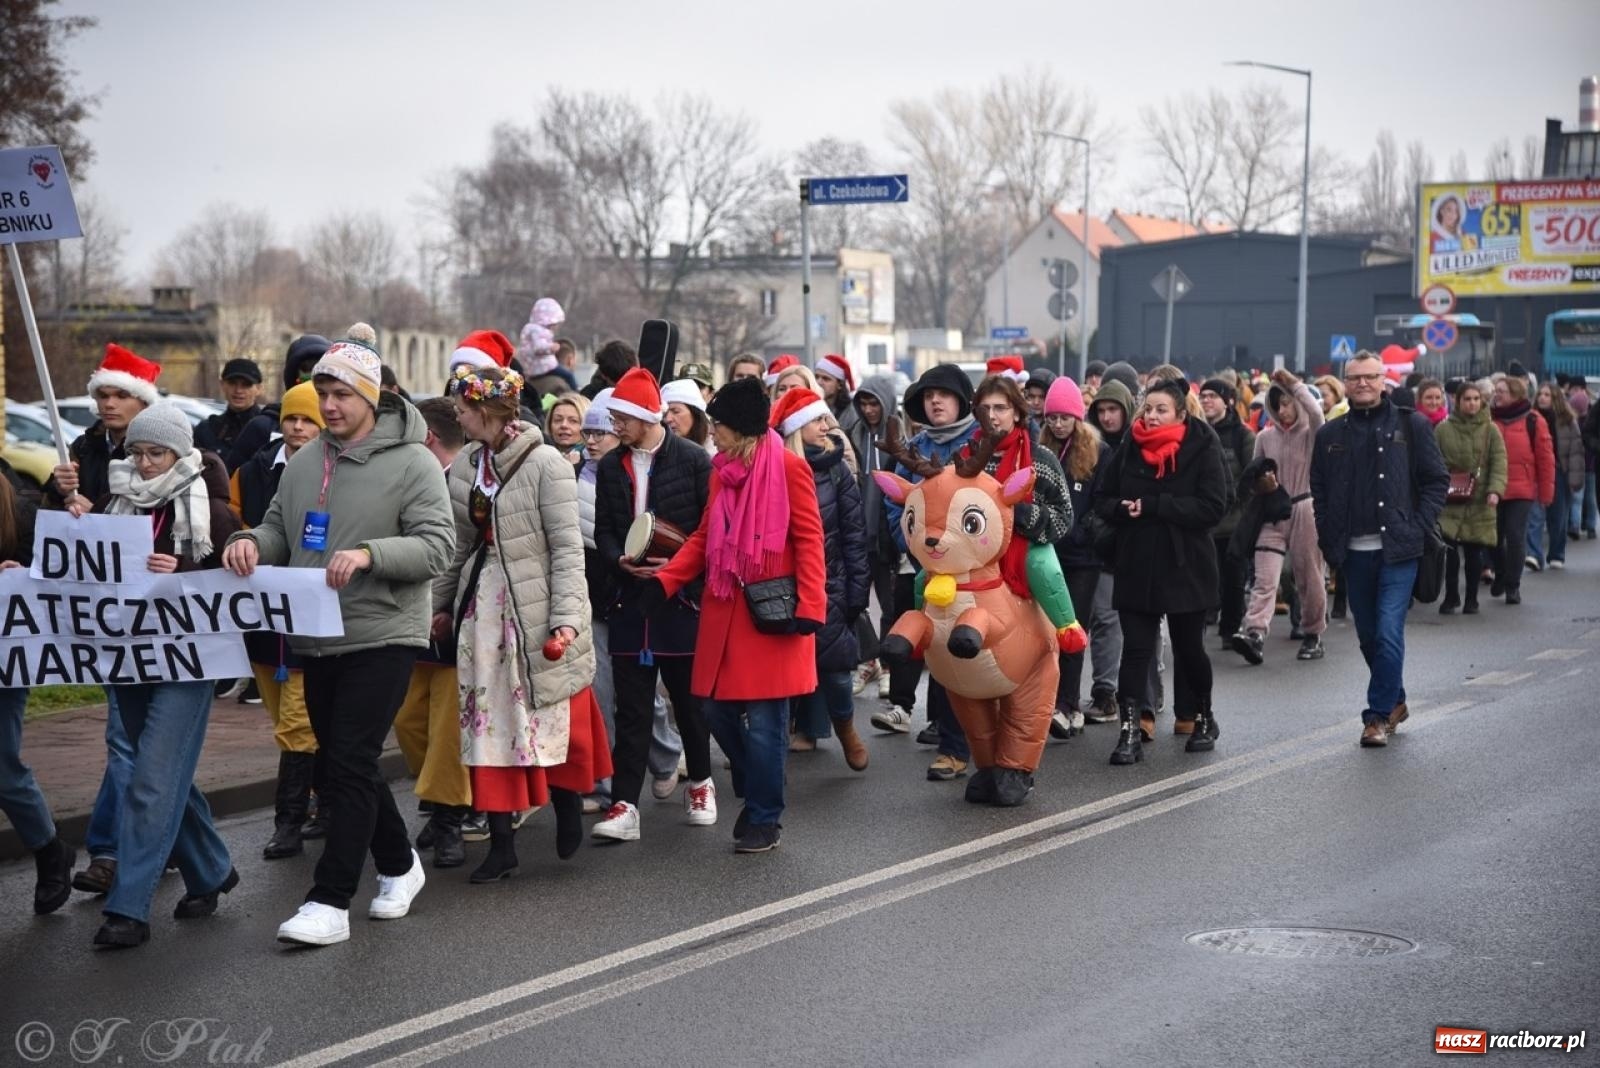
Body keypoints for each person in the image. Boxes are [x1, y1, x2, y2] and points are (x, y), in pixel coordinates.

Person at [222, 324, 455, 947]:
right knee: (338, 761)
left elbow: (438, 547)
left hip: (385, 632)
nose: (328, 406)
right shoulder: (304, 462)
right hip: (316, 631)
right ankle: (400, 864)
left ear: (371, 396)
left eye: (342, 394)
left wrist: (370, 554)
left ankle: (329, 900)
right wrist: (248, 542)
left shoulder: (414, 462)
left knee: (349, 758)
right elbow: (279, 529)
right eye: (322, 393)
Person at [67, 403, 241, 947]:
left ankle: (129, 909)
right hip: (129, 660)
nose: (144, 464)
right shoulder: (111, 503)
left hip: (189, 663)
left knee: (150, 781)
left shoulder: (213, 510)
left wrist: (184, 571)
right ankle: (211, 868)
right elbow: (80, 570)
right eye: (137, 452)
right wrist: (59, 536)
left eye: (157, 453)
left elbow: (240, 581)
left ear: (180, 453)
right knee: (160, 774)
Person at [433, 365, 609, 882]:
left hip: (535, 606)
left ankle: (568, 804)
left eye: (462, 409)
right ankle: (502, 843)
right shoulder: (468, 464)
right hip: (482, 610)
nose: (457, 417)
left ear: (486, 411)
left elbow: (567, 549)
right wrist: (440, 607)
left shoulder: (546, 464)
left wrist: (566, 620)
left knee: (552, 714)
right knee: (488, 723)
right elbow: (458, 545)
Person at [641, 376, 828, 852]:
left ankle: (765, 816)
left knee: (766, 724)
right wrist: (666, 581)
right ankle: (757, 780)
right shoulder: (721, 471)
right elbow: (705, 537)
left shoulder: (789, 469)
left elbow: (809, 539)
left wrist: (812, 604)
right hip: (726, 611)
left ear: (740, 428)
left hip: (773, 616)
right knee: (714, 710)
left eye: (719, 424)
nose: (713, 432)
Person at [47, 343, 162, 899]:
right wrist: (60, 494)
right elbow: (56, 525)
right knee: (130, 737)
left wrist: (102, 519)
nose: (108, 404)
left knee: (132, 738)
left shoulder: (169, 447)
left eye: (120, 395)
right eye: (103, 394)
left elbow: (166, 527)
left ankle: (117, 849)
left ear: (143, 401)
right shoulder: (83, 448)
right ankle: (153, 843)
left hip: (153, 612)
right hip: (101, 608)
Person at [590, 368, 716, 843]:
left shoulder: (694, 461)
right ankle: (625, 804)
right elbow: (604, 529)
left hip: (680, 600)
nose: (615, 426)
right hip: (629, 599)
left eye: (621, 418)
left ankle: (700, 784)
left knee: (689, 703)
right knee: (632, 709)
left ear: (647, 416)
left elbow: (708, 530)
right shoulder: (610, 467)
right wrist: (617, 560)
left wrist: (677, 571)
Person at [1309, 352, 1449, 747]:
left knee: (1388, 631)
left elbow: (1436, 480)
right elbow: (1319, 488)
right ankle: (1396, 700)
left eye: (1370, 377)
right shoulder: (1330, 435)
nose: (1362, 384)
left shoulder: (1411, 425)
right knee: (1369, 637)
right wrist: (1327, 532)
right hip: (1353, 552)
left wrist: (1418, 526)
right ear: (1345, 383)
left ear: (1383, 380)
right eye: (1355, 378)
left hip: (1399, 550)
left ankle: (1377, 716)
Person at [1094, 377, 1228, 765]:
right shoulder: (1131, 444)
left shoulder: (1202, 444)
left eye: (1161, 410)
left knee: (1189, 649)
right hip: (1137, 561)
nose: (1151, 416)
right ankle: (1130, 730)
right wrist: (1122, 508)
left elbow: (1212, 507)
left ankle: (1203, 716)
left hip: (1186, 564)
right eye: (1148, 408)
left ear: (1180, 414)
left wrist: (1156, 505)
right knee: (1136, 650)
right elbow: (1103, 497)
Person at [229, 382, 326, 860]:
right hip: (263, 617)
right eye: (292, 418)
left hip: (311, 614)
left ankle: (288, 821)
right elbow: (233, 524)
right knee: (282, 716)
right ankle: (325, 800)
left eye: (309, 420)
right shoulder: (251, 473)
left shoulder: (336, 472)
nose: (299, 427)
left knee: (297, 723)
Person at [881, 364, 981, 780]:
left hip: (977, 569)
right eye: (927, 395)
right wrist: (914, 544)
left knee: (972, 651)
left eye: (943, 393)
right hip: (928, 567)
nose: (935, 401)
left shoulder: (980, 443)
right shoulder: (914, 448)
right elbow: (895, 503)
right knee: (939, 647)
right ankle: (949, 739)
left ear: (961, 400)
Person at [392, 398, 476, 868]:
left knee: (447, 728)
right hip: (408, 617)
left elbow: (468, 551)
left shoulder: (465, 480)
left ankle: (449, 818)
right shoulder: (409, 476)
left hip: (449, 621)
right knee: (407, 719)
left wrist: (446, 607)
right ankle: (447, 798)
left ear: (426, 437)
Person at [772, 388, 870, 768]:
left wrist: (857, 592)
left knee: (836, 672)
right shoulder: (774, 469)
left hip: (830, 586)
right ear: (796, 429)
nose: (827, 425)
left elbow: (854, 535)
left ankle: (846, 730)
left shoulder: (836, 468)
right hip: (783, 586)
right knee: (781, 671)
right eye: (817, 419)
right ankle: (774, 741)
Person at [0, 457, 76, 916]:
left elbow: (52, 572)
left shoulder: (17, 507)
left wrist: (22, 571)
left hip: (4, 655)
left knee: (2, 767)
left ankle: (49, 849)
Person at [1233, 369, 1328, 664]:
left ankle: (1313, 633)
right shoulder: (1264, 437)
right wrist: (1260, 481)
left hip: (1304, 507)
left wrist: (1294, 385)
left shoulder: (1311, 433)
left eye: (1287, 403)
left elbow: (1316, 412)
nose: (1283, 410)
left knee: (1309, 577)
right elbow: (1254, 471)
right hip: (1272, 509)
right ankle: (1255, 633)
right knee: (1264, 578)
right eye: (1277, 404)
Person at [1040, 376, 1112, 735]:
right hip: (1047, 553)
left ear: (1077, 417)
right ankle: (1052, 701)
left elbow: (1103, 500)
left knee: (1072, 630)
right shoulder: (1042, 450)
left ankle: (1068, 705)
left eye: (1064, 417)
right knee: (1046, 633)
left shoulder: (1098, 451)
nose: (1057, 424)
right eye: (1052, 417)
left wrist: (1082, 532)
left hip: (1083, 558)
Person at [849, 374, 903, 704]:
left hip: (888, 539)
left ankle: (888, 667)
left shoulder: (900, 436)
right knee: (855, 603)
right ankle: (869, 659)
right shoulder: (853, 434)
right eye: (864, 403)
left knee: (890, 607)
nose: (869, 410)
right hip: (857, 535)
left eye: (875, 403)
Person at [1435, 380, 1507, 615]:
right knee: (1450, 551)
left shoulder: (1490, 430)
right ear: (1458, 401)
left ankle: (1472, 598)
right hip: (1450, 498)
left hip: (1479, 499)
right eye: (1467, 399)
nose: (1472, 403)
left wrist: (1495, 490)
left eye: (1476, 399)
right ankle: (1451, 596)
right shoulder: (1443, 430)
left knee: (1474, 552)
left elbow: (1499, 463)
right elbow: (1434, 462)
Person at [1200, 377, 1256, 650]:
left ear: (1228, 401)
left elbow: (1251, 478)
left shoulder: (1242, 436)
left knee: (1234, 580)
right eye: (1204, 396)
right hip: (1206, 523)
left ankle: (1230, 629)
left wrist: (1241, 510)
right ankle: (1208, 617)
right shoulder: (1198, 433)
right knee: (1207, 578)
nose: (1207, 401)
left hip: (1235, 524)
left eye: (1213, 396)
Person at [1489, 374, 1554, 604]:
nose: (1496, 395)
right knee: (1493, 538)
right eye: (1495, 391)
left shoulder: (1533, 420)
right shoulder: (1489, 418)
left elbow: (1545, 459)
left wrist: (1546, 494)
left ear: (1515, 394)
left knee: (1515, 536)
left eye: (1501, 391)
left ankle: (1512, 585)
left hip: (1522, 490)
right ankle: (1500, 572)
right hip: (1493, 488)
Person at [227, 335, 332, 471]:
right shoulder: (263, 427)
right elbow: (236, 476)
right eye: (291, 419)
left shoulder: (340, 428)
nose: (298, 427)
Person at [1529, 383, 1584, 571]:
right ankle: (1534, 554)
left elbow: (1576, 451)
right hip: (1536, 471)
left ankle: (1556, 553)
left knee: (1558, 516)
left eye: (1547, 395)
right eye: (1540, 394)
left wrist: (1575, 478)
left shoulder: (1567, 420)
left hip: (1560, 471)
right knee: (1535, 515)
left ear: (1556, 399)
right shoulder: (1531, 418)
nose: (1542, 398)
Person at [194, 358, 265, 471]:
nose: (238, 390)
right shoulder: (207, 430)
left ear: (259, 388)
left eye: (246, 385)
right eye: (232, 383)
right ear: (222, 384)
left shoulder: (268, 429)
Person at [813, 353, 860, 436]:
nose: (819, 382)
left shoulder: (851, 412)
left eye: (826, 379)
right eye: (816, 377)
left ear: (840, 385)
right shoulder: (811, 408)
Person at [662, 379, 713, 451]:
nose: (668, 419)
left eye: (676, 411)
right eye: (664, 414)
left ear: (695, 413)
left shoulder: (715, 451)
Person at [544, 392, 589, 464]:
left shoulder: (595, 461)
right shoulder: (539, 455)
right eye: (558, 420)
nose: (563, 425)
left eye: (573, 421)